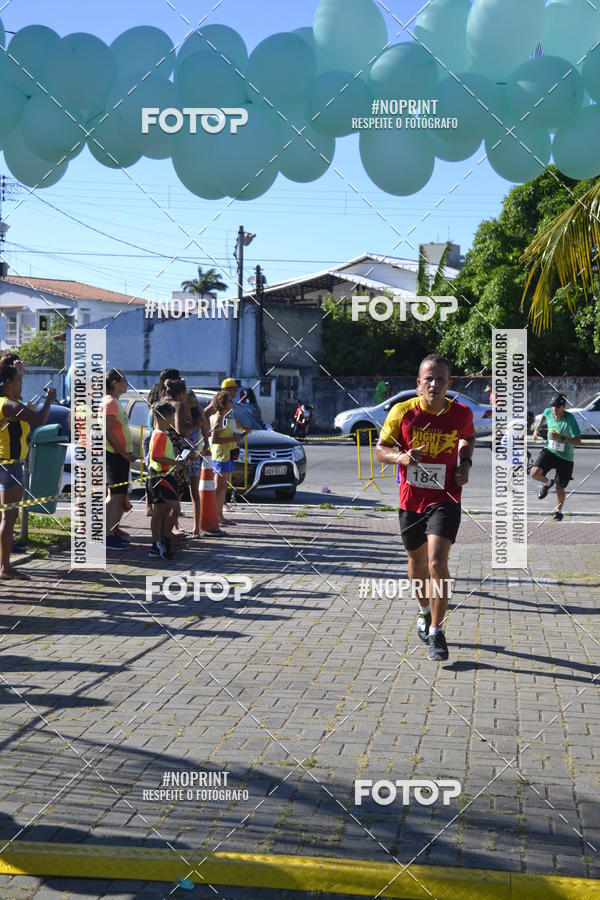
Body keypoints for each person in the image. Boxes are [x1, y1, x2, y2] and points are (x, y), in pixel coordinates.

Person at [375, 354, 476, 662]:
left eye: (440, 379)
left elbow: (468, 438)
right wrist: (401, 458)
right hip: (411, 500)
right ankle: (422, 611)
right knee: (417, 562)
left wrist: (465, 462)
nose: (434, 384)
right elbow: (381, 449)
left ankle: (437, 630)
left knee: (436, 562)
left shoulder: (461, 413)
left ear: (449, 383)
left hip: (446, 497)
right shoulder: (402, 412)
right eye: (428, 379)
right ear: (418, 384)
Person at [0, 365, 56, 579]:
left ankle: (4, 565)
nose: (21, 383)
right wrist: (49, 399)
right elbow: (40, 419)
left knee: (5, 517)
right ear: (7, 383)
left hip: (5, 463)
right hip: (11, 464)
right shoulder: (10, 405)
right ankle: (5, 567)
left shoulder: (8, 405)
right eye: (18, 380)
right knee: (9, 517)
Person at [101, 369, 137, 550]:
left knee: (118, 495)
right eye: (124, 380)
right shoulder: (109, 402)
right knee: (114, 497)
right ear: (114, 383)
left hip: (119, 455)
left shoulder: (114, 402)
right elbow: (107, 432)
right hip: (114, 455)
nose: (127, 384)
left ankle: (112, 531)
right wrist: (122, 453)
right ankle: (106, 535)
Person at [531, 394, 581, 521]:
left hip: (565, 457)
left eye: (558, 406)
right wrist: (536, 429)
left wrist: (561, 438)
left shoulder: (570, 419)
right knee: (534, 473)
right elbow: (544, 415)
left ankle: (558, 511)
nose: (555, 409)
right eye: (553, 405)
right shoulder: (549, 411)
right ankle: (547, 483)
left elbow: (578, 441)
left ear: (564, 407)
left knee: (560, 487)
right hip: (550, 451)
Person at [147, 400, 187, 560]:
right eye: (172, 417)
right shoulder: (160, 434)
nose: (173, 420)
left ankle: (158, 544)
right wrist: (175, 462)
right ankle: (163, 538)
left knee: (161, 512)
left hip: (163, 475)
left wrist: (174, 460)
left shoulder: (160, 434)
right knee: (174, 508)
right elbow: (156, 456)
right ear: (164, 417)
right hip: (161, 477)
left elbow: (161, 455)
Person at [208, 390, 247, 527]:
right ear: (223, 403)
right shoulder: (219, 417)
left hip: (226, 454)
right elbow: (215, 439)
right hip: (221, 456)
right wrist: (234, 438)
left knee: (223, 486)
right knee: (219, 487)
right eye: (230, 400)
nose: (232, 402)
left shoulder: (225, 417)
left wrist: (236, 437)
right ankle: (216, 516)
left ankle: (220, 516)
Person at [186, 390, 210, 537]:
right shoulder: (179, 411)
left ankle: (196, 528)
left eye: (194, 402)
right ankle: (174, 526)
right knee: (178, 492)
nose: (192, 404)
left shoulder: (198, 411)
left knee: (194, 491)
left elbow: (205, 430)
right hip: (180, 455)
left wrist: (206, 444)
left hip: (195, 455)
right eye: (189, 401)